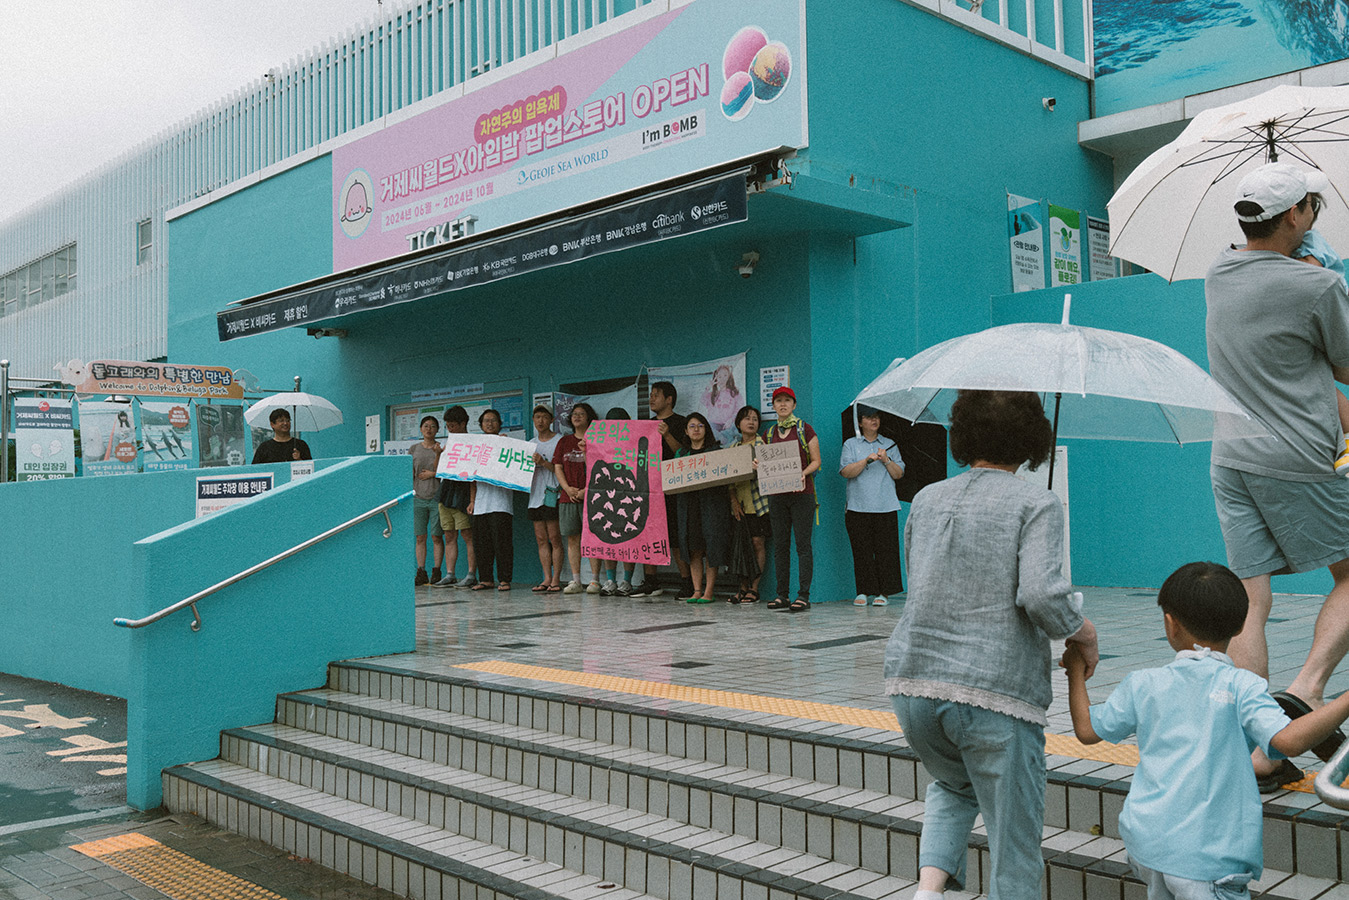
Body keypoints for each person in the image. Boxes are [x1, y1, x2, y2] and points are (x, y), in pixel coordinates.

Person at [884, 390, 1098, 900]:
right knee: (1014, 836)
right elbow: (1043, 596)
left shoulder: (929, 497)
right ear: (1031, 441)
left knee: (954, 785)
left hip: (913, 685)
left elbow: (922, 582)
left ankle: (927, 892)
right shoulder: (1037, 502)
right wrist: (1083, 631)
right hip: (995, 693)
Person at [1064, 561, 1349, 900]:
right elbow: (1287, 741)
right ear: (1242, 624)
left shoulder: (1144, 683)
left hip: (1147, 845)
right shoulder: (1243, 686)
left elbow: (1086, 729)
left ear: (1170, 624)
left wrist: (1075, 672)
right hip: (1208, 859)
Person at [1205, 161, 1349, 786]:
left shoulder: (1217, 273)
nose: (1316, 213)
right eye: (1312, 206)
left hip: (1230, 456)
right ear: (1295, 216)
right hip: (1297, 459)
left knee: (1249, 598)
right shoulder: (1313, 287)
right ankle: (1308, 689)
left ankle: (1258, 743)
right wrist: (1322, 280)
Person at [839, 405, 905, 606]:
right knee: (862, 550)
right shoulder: (851, 444)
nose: (873, 421)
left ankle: (884, 593)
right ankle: (863, 591)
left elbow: (898, 473)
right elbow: (845, 471)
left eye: (876, 417)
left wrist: (886, 460)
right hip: (858, 506)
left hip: (885, 505)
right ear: (860, 422)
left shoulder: (889, 444)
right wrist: (866, 460)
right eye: (868, 418)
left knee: (886, 550)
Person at [764, 387, 821, 612]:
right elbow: (762, 460)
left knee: (803, 546)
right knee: (780, 546)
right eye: (778, 401)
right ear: (774, 406)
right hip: (777, 496)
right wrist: (759, 465)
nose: (783, 405)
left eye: (787, 401)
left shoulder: (804, 429)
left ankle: (803, 595)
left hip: (802, 495)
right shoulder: (769, 433)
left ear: (794, 405)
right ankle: (782, 595)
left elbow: (817, 460)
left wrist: (803, 473)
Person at [639, 380, 691, 598]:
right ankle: (651, 580)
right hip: (649, 487)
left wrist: (667, 434)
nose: (651, 398)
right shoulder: (645, 425)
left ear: (669, 399)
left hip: (674, 487)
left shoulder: (682, 423)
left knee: (677, 537)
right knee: (648, 532)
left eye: (656, 395)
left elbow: (685, 455)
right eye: (650, 394)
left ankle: (687, 582)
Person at [675, 412, 731, 603]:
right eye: (692, 426)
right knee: (693, 550)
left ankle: (709, 591)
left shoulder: (716, 451)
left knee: (711, 547)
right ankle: (697, 590)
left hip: (711, 506)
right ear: (686, 431)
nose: (696, 429)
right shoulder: (681, 454)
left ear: (706, 429)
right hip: (688, 506)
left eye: (700, 425)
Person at [554, 403, 602, 594]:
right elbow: (557, 466)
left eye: (582, 414)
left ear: (590, 418)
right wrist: (567, 489)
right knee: (573, 539)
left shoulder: (597, 440)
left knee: (593, 538)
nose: (577, 417)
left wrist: (586, 490)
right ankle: (575, 580)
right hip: (568, 497)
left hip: (592, 497)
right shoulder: (564, 441)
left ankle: (595, 580)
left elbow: (601, 465)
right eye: (574, 414)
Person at [469, 408, 515, 592]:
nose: (490, 423)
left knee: (502, 543)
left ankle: (504, 579)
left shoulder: (509, 444)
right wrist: (472, 501)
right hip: (480, 504)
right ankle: (486, 579)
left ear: (500, 424)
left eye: (493, 420)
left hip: (501, 503)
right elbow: (471, 478)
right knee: (482, 544)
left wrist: (506, 446)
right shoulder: (475, 446)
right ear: (480, 424)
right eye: (486, 420)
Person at [431, 406, 477, 588]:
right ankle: (450, 573)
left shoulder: (473, 442)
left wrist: (472, 500)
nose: (450, 429)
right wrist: (437, 454)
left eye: (453, 425)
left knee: (467, 535)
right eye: (448, 426)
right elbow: (438, 470)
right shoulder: (448, 442)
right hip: (446, 490)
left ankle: (471, 573)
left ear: (463, 423)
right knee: (449, 535)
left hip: (463, 491)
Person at [727, 405, 769, 604]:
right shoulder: (733, 449)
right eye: (747, 419)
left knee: (757, 543)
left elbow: (773, 474)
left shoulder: (764, 446)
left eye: (755, 419)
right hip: (739, 504)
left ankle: (754, 588)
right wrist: (733, 501)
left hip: (760, 505)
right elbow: (728, 481)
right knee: (740, 546)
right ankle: (742, 588)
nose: (751, 422)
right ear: (738, 424)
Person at [598, 407, 638, 597]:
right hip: (607, 495)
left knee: (628, 538)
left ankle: (627, 581)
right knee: (609, 539)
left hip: (630, 494)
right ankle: (610, 580)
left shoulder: (636, 440)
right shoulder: (601, 443)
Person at [528, 406, 564, 593]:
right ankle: (546, 577)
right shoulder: (530, 444)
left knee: (554, 538)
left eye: (544, 417)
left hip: (553, 495)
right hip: (535, 497)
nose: (540, 420)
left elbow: (561, 470)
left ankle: (556, 579)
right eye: (537, 417)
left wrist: (543, 463)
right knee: (541, 539)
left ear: (551, 420)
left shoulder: (560, 441)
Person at [411, 415, 445, 587]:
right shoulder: (414, 449)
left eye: (433, 426)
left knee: (436, 536)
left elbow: (444, 472)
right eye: (425, 425)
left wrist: (433, 473)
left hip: (436, 497)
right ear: (420, 428)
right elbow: (410, 474)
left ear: (438, 429)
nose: (429, 429)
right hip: (418, 498)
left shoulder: (440, 448)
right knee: (420, 537)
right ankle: (421, 570)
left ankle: (437, 570)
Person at [702, 364, 743, 444]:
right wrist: (708, 388)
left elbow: (739, 409)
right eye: (719, 376)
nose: (722, 379)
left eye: (725, 375)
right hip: (714, 424)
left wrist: (731, 420)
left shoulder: (735, 393)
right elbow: (702, 401)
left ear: (729, 377)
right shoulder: (712, 394)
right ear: (715, 378)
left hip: (729, 425)